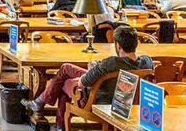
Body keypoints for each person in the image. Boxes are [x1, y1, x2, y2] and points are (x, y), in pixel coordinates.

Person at [22, 26, 153, 131]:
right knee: (66, 69)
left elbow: (81, 83)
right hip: (129, 103)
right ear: (136, 43)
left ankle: (52, 116)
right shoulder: (147, 61)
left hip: (98, 102)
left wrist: (92, 70)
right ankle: (53, 118)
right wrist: (96, 69)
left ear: (117, 45)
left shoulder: (111, 62)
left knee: (64, 82)